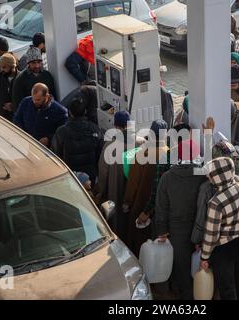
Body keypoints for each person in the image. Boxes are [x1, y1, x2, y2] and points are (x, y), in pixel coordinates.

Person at [155, 139, 206, 300]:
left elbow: (161, 207)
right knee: (200, 268)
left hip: (177, 231)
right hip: (201, 229)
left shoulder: (167, 177)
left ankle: (185, 296)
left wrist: (162, 231)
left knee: (182, 269)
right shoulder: (203, 175)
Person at [199, 157, 239, 300]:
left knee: (227, 288)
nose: (207, 176)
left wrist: (205, 256)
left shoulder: (215, 202)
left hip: (224, 250)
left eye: (210, 174)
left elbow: (211, 235)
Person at [96, 111, 145, 241]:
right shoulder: (141, 142)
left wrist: (101, 193)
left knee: (117, 222)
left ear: (116, 127)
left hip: (116, 190)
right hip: (135, 192)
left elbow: (103, 173)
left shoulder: (109, 147)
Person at [123, 120, 169, 256]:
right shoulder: (167, 153)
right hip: (159, 208)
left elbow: (133, 182)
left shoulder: (143, 153)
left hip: (141, 204)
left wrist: (127, 202)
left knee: (139, 241)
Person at [51, 98, 104, 183]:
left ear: (70, 113)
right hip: (90, 175)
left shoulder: (61, 132)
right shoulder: (94, 129)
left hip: (71, 175)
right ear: (85, 112)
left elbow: (56, 154)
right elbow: (101, 152)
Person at [13, 83, 68, 147]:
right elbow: (17, 119)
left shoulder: (60, 111)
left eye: (38, 100)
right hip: (27, 145)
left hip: (47, 150)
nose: (34, 102)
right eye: (33, 98)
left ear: (47, 96)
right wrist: (21, 132)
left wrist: (49, 139)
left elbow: (63, 132)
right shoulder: (25, 102)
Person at [12, 47, 56, 112]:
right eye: (33, 63)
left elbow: (53, 96)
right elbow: (18, 103)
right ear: (28, 63)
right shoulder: (20, 79)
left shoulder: (47, 75)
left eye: (39, 62)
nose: (37, 66)